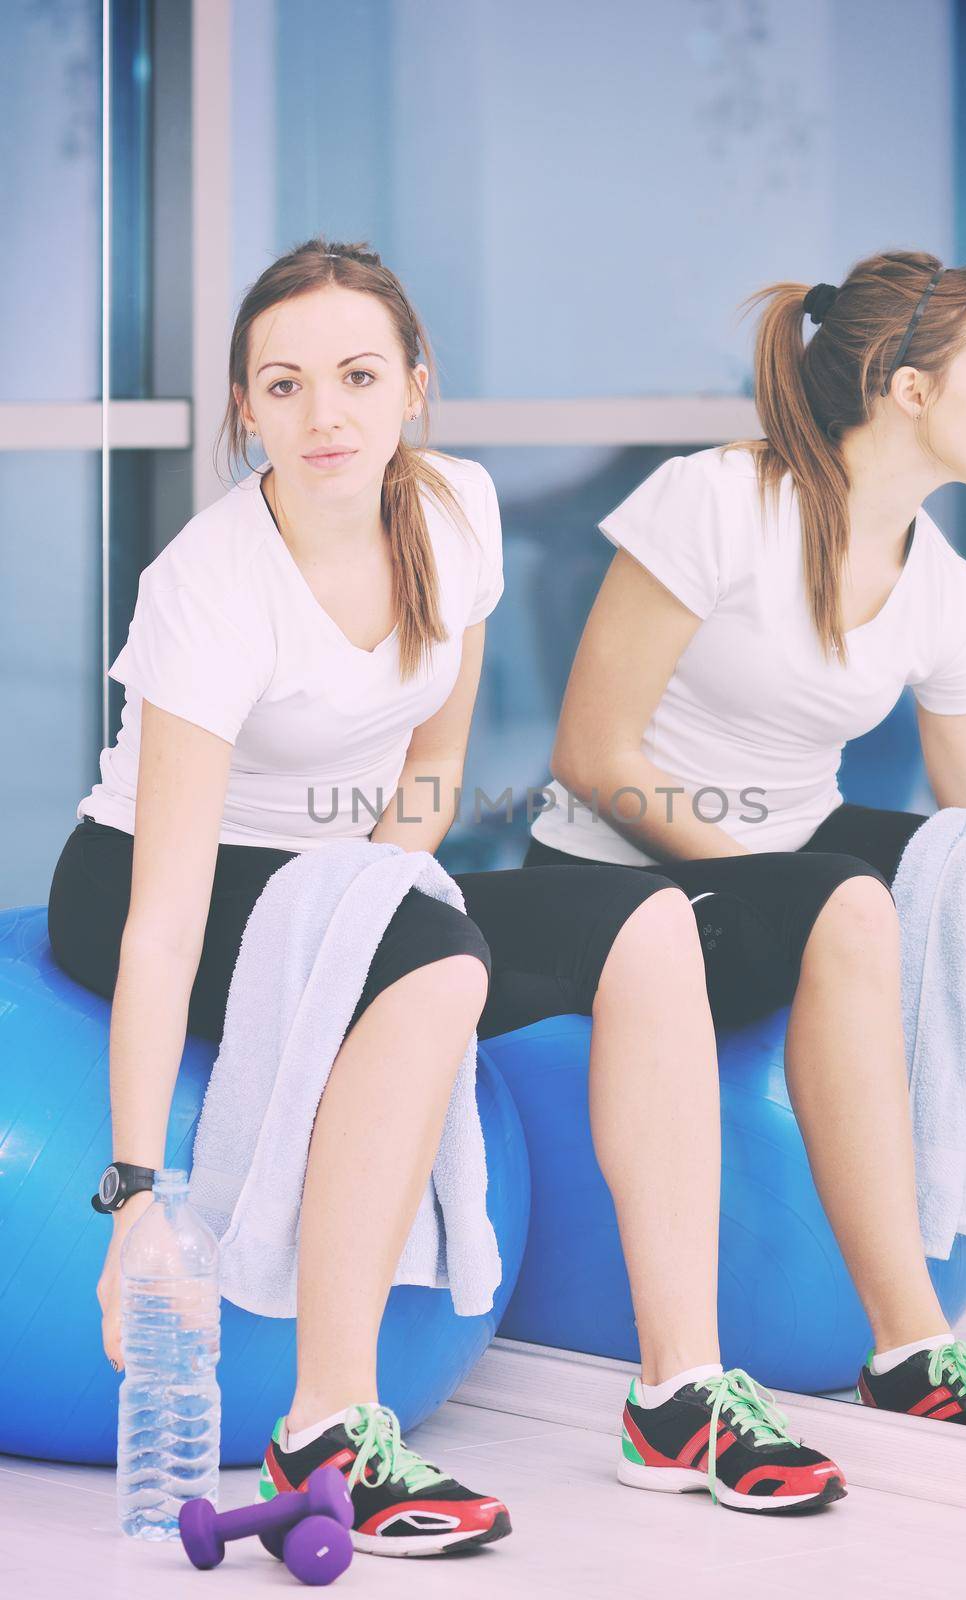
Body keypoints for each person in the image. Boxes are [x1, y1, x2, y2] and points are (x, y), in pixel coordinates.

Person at [47, 239, 848, 1558]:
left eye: (357, 375)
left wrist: (386, 888)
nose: (324, 415)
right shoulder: (207, 585)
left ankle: (679, 1391)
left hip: (346, 863)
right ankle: (325, 1421)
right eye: (285, 385)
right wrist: (135, 1191)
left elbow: (431, 766)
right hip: (152, 877)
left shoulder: (455, 513)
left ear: (414, 383)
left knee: (644, 924)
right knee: (427, 958)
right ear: (244, 408)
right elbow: (164, 910)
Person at [527, 249, 966, 1448]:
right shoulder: (716, 502)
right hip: (618, 874)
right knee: (836, 898)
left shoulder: (945, 590)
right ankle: (909, 1346)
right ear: (910, 390)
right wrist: (765, 872)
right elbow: (590, 750)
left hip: (799, 858)